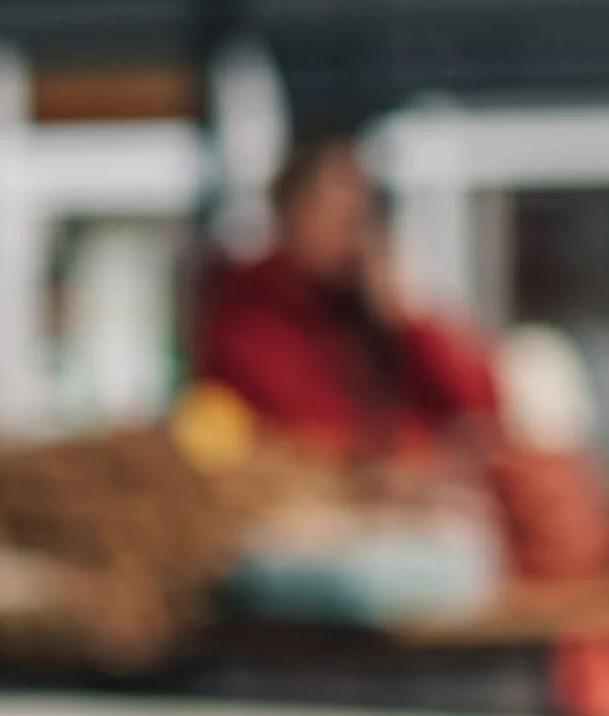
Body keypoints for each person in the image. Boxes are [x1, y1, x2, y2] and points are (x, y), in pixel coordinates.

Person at [191, 132, 498, 466]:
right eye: (335, 212)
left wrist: (405, 316)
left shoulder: (369, 313)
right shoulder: (250, 313)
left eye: (359, 214)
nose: (352, 234)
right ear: (288, 214)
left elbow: (478, 403)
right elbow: (307, 434)